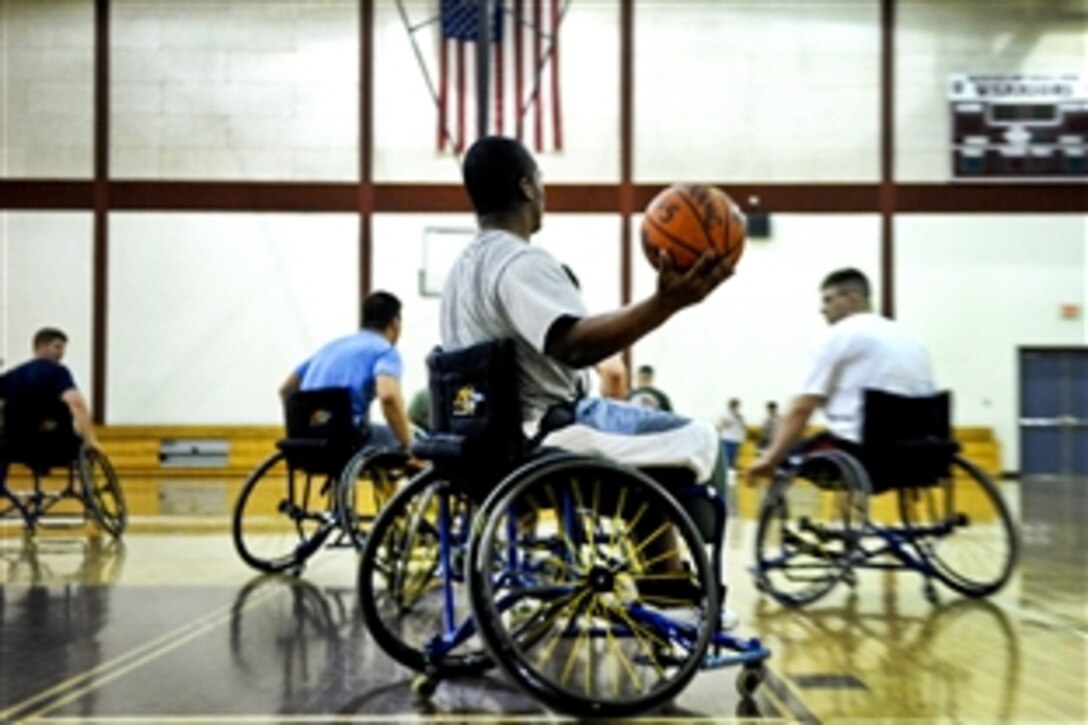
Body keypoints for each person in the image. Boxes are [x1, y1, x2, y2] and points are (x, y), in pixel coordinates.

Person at [441, 135, 737, 620]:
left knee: (643, 446)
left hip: (483, 442)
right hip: (545, 435)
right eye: (541, 179)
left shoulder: (461, 271)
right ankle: (682, 592)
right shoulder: (522, 261)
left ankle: (670, 591)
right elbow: (576, 345)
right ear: (526, 188)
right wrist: (665, 303)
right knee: (697, 438)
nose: (544, 190)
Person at [746, 268, 935, 483]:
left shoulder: (836, 336)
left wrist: (771, 459)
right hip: (920, 452)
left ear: (851, 298)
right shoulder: (913, 339)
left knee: (784, 458)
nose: (822, 309)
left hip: (861, 451)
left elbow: (801, 409)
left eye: (828, 300)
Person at [279, 291, 414, 453]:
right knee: (418, 443)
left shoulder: (331, 347)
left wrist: (298, 430)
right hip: (346, 438)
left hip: (306, 439)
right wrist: (410, 444)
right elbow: (388, 396)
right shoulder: (385, 351)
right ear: (395, 322)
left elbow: (286, 389)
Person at [0, 328, 101, 488]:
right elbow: (76, 403)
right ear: (41, 346)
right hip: (55, 445)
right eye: (58, 347)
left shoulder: (12, 375)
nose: (62, 353)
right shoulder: (57, 372)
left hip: (16, 447)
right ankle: (90, 492)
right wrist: (92, 440)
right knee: (83, 446)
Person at [716, 398, 746, 471]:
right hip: (727, 439)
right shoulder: (724, 414)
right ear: (730, 406)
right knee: (727, 458)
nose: (736, 408)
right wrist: (732, 418)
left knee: (734, 459)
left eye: (737, 406)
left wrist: (739, 417)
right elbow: (723, 426)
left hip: (736, 439)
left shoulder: (740, 416)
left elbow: (743, 426)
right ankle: (727, 473)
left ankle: (732, 473)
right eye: (734, 406)